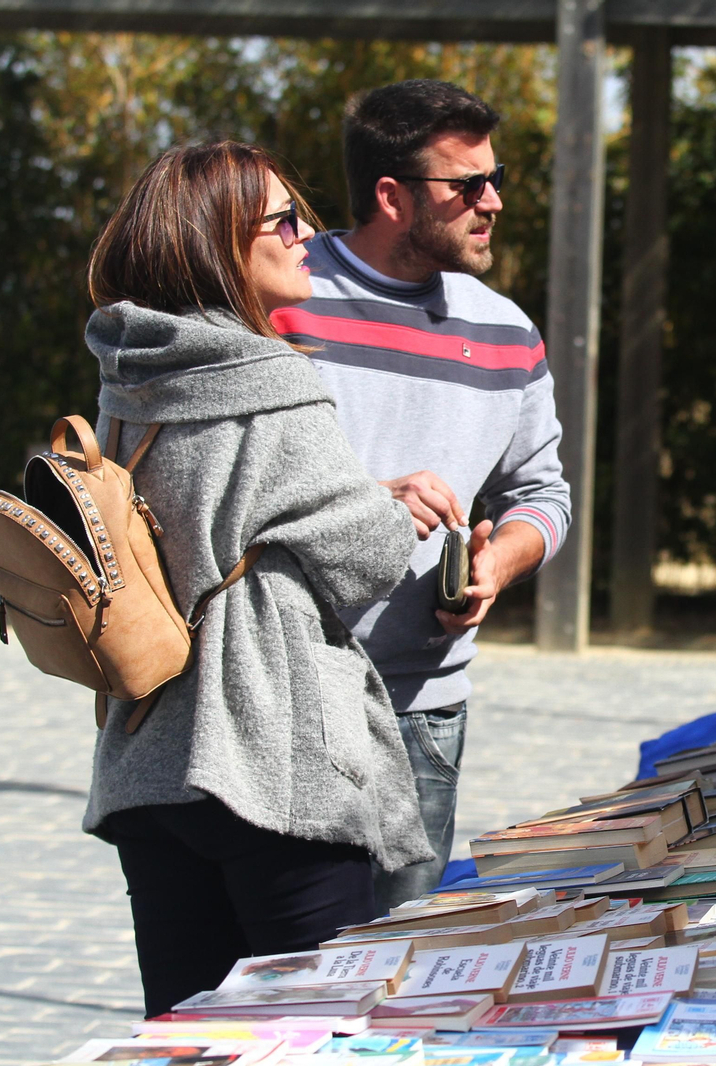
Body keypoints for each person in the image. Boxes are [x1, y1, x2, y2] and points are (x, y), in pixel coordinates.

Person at [82, 142, 433, 1017]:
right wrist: (395, 510)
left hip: (150, 758)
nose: (308, 234)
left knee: (187, 1033)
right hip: (275, 760)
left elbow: (223, 506)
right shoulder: (273, 378)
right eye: (283, 219)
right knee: (311, 1029)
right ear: (219, 243)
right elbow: (367, 559)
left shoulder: (132, 375)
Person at [272, 80, 572, 910]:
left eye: (495, 176)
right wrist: (368, 504)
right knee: (276, 997)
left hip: (423, 712)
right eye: (468, 185)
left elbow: (545, 495)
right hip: (285, 704)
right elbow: (227, 479)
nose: (494, 201)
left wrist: (496, 568)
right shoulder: (278, 301)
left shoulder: (509, 333)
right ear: (391, 195)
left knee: (385, 994)